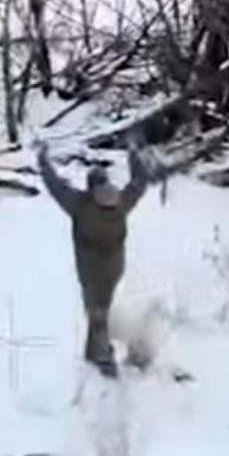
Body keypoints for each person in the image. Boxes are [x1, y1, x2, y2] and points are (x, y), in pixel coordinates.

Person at [37, 142, 150, 377]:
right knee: (100, 310)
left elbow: (55, 186)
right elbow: (140, 182)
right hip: (114, 269)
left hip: (90, 273)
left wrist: (43, 161)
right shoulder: (121, 202)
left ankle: (104, 361)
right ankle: (93, 353)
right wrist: (134, 155)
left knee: (97, 314)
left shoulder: (80, 204)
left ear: (90, 186)